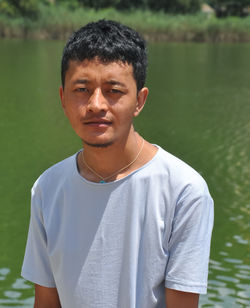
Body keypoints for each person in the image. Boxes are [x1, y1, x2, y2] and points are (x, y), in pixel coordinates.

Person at [21, 19, 214, 308]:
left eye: (113, 90)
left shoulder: (184, 190)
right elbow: (46, 301)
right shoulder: (48, 188)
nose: (96, 104)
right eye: (82, 89)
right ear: (63, 98)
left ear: (139, 100)